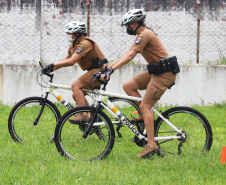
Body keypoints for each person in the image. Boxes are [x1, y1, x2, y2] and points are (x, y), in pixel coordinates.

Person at [100, 9, 178, 158]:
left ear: (134, 24)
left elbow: (130, 56)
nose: (127, 28)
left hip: (164, 75)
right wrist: (108, 68)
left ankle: (151, 145)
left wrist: (111, 70)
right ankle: (144, 116)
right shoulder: (141, 35)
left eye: (128, 25)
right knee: (128, 86)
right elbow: (127, 54)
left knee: (145, 105)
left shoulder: (145, 34)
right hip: (157, 72)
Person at [43, 21, 108, 121]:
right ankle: (93, 117)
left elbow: (72, 61)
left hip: (101, 71)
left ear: (77, 34)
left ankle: (84, 115)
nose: (67, 35)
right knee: (76, 94)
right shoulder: (74, 44)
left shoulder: (84, 43)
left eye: (69, 33)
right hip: (94, 70)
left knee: (75, 86)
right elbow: (66, 59)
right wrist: (51, 68)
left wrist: (53, 65)